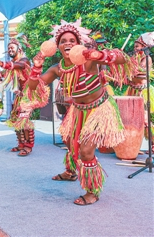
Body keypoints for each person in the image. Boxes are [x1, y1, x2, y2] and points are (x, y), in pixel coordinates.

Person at [28, 18, 134, 205]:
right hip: (77, 110)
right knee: (69, 142)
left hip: (99, 110)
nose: (67, 43)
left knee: (85, 151)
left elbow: (122, 58)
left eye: (72, 40)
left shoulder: (89, 61)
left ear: (78, 44)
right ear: (57, 46)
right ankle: (71, 172)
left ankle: (92, 191)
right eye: (63, 41)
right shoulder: (57, 69)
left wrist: (99, 55)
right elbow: (33, 86)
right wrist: (36, 66)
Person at [0, 37, 35, 156]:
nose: (10, 50)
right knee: (16, 120)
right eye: (8, 48)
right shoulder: (12, 65)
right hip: (19, 96)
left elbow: (18, 65)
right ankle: (21, 144)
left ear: (19, 49)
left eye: (12, 47)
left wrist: (3, 64)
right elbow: (3, 73)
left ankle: (28, 146)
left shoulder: (24, 61)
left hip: (28, 96)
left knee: (24, 121)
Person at [125, 33, 154, 154]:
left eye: (137, 46)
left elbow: (139, 73)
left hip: (142, 92)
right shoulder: (135, 58)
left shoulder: (147, 59)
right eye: (135, 46)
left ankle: (153, 144)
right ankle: (131, 143)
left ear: (144, 46)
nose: (135, 49)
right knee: (130, 118)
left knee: (145, 119)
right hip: (133, 90)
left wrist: (127, 66)